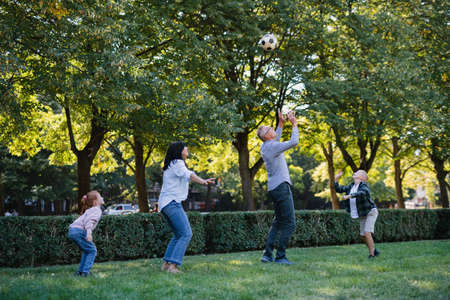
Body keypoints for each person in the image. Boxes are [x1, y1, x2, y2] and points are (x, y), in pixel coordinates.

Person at [159, 141, 215, 274]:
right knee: (186, 233)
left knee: (178, 234)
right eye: (185, 147)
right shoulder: (177, 163)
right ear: (179, 150)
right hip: (172, 203)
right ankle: (173, 266)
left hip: (165, 204)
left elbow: (187, 174)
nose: (187, 148)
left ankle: (167, 264)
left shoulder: (172, 164)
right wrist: (203, 181)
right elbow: (188, 175)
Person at [257, 109, 299, 265]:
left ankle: (267, 254)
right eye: (270, 129)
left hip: (274, 188)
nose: (273, 129)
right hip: (281, 187)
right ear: (266, 136)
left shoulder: (267, 147)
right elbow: (294, 142)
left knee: (278, 222)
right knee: (289, 223)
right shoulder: (271, 147)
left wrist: (281, 124)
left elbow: (276, 142)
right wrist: (294, 124)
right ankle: (280, 256)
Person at [335, 170, 380, 259]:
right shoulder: (351, 186)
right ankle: (373, 250)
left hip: (371, 212)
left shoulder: (364, 186)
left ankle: (372, 255)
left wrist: (349, 196)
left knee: (367, 232)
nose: (355, 172)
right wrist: (336, 179)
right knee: (363, 235)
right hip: (362, 213)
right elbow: (339, 189)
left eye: (358, 172)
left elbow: (362, 193)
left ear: (362, 178)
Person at [68, 190, 104, 276]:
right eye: (100, 196)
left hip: (73, 230)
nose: (102, 198)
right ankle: (85, 272)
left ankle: (80, 272)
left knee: (86, 250)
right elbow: (89, 222)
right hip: (79, 231)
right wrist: (89, 233)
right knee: (92, 250)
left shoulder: (91, 210)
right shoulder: (97, 210)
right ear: (95, 201)